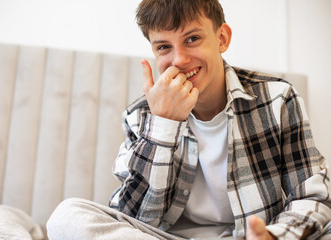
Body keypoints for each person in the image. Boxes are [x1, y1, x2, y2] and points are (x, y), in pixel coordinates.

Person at [47, 0, 331, 239]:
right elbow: (131, 217)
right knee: (66, 217)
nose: (179, 60)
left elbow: (314, 197)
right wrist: (163, 125)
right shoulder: (141, 116)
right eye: (163, 47)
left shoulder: (278, 98)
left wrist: (276, 235)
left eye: (192, 39)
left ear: (222, 38)